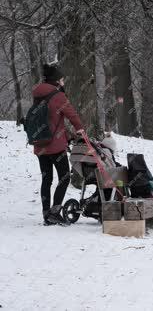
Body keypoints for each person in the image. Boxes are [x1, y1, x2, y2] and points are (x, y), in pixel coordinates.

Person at [32, 64, 85, 225]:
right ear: (56, 80)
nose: (63, 81)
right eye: (62, 79)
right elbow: (72, 115)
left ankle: (46, 213)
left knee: (46, 179)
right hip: (55, 145)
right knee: (64, 177)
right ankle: (54, 212)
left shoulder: (37, 93)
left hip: (40, 143)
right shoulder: (58, 96)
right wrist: (80, 129)